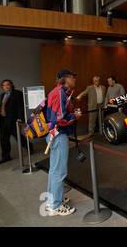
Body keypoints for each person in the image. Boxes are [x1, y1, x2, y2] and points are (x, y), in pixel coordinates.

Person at [45, 69, 82, 216]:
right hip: (59, 135)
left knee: (54, 170)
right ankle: (56, 206)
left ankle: (52, 199)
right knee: (59, 171)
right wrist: (75, 116)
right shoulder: (60, 93)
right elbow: (59, 119)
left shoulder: (56, 92)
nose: (75, 80)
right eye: (73, 77)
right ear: (66, 79)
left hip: (54, 134)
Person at [0, 79, 33, 164]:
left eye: (8, 84)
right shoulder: (2, 95)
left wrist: (20, 118)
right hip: (3, 120)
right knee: (3, 139)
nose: (6, 87)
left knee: (18, 137)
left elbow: (20, 107)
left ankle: (30, 146)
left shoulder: (17, 93)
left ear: (11, 85)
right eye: (4, 85)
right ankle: (6, 157)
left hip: (13, 120)